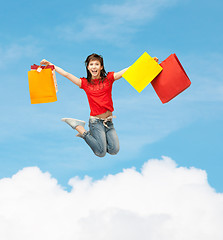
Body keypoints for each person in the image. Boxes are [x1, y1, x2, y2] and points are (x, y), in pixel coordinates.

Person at [40, 53, 158, 157]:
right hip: (95, 122)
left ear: (101, 67)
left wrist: (147, 63)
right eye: (91, 64)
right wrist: (51, 65)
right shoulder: (84, 83)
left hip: (109, 122)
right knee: (100, 153)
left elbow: (127, 70)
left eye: (96, 64)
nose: (94, 67)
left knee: (113, 150)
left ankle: (94, 139)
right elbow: (66, 74)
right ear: (88, 67)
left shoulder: (109, 79)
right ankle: (79, 128)